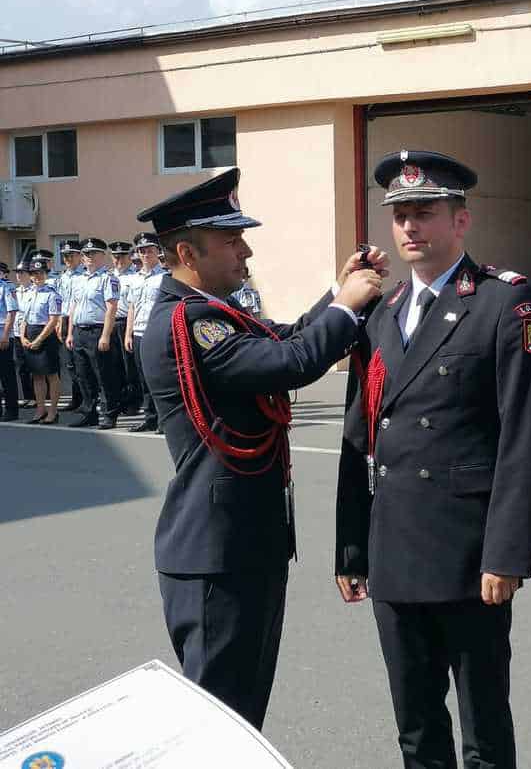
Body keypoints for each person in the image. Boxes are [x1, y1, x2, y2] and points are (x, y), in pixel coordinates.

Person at [137, 167, 385, 730]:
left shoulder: (218, 315)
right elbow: (290, 363)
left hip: (246, 547)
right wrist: (346, 307)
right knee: (217, 719)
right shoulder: (187, 323)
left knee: (243, 714)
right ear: (186, 252)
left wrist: (336, 290)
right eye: (231, 241)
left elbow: (289, 335)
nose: (245, 251)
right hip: (214, 556)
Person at [334, 150, 531, 769]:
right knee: (416, 723)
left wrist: (507, 553)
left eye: (424, 213)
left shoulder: (502, 305)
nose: (409, 227)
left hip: (468, 556)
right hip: (394, 549)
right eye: (400, 215)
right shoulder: (377, 312)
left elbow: (525, 442)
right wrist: (351, 546)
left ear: (461, 221)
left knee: (483, 726)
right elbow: (361, 436)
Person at [66, 238, 123, 429]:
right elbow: (73, 306)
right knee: (83, 375)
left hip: (97, 331)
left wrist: (106, 335)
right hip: (79, 331)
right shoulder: (78, 279)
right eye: (85, 254)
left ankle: (109, 414)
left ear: (102, 256)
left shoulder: (108, 278)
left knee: (104, 375)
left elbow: (111, 308)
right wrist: (70, 333)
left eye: (93, 253)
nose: (89, 257)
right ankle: (89, 412)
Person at [125, 232, 168, 433]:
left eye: (149, 250)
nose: (145, 254)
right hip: (138, 332)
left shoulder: (164, 278)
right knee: (142, 378)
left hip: (156, 332)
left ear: (157, 252)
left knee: (158, 377)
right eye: (142, 251)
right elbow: (132, 307)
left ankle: (163, 419)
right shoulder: (134, 279)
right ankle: (149, 417)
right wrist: (128, 333)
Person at [21, 258, 63, 424]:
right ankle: (40, 409)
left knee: (51, 375)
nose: (37, 276)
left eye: (40, 273)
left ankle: (53, 411)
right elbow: (23, 317)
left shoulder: (52, 294)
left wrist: (39, 339)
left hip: (45, 335)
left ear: (46, 274)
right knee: (37, 375)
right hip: (29, 333)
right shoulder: (28, 293)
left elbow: (53, 320)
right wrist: (23, 336)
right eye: (34, 273)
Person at [110, 240, 143, 414]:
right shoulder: (109, 276)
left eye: (122, 256)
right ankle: (119, 399)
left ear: (129, 257)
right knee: (113, 365)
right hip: (110, 322)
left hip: (126, 322)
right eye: (115, 256)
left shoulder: (134, 276)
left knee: (129, 365)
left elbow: (134, 304)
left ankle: (133, 401)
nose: (119, 260)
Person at [55, 240, 85, 413]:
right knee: (70, 363)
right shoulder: (63, 277)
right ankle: (77, 397)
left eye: (70, 255)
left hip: (78, 321)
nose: (67, 259)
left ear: (79, 256)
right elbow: (60, 302)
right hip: (65, 319)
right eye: (65, 256)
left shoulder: (83, 276)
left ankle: (89, 397)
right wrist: (59, 322)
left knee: (82, 362)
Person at [12, 262, 35, 408]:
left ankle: (36, 396)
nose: (19, 275)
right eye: (17, 272)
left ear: (29, 275)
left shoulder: (34, 291)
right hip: (16, 332)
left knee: (34, 366)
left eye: (22, 272)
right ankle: (27, 396)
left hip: (29, 331)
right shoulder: (15, 291)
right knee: (21, 366)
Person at [0, 262, 19, 421]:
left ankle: (11, 410)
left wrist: (5, 336)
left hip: (2, 336)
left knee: (7, 374)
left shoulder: (6, 287)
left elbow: (11, 313)